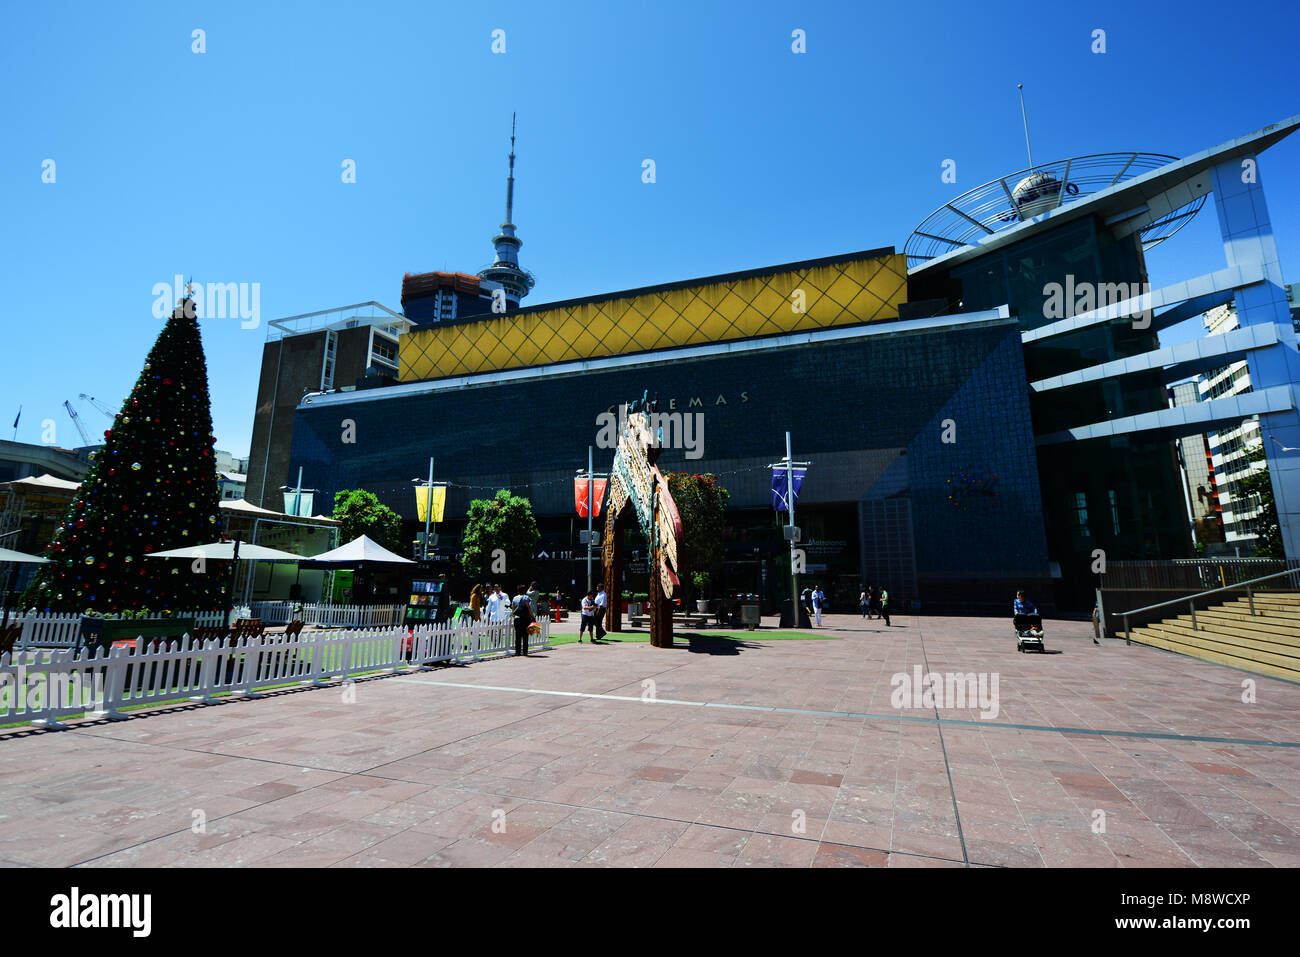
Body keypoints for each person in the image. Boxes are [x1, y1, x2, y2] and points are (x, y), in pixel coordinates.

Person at [511, 585, 534, 657]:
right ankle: (525, 652)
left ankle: (517, 652)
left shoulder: (515, 598)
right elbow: (529, 608)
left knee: (518, 636)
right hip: (525, 618)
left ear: (518, 591)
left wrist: (514, 616)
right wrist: (532, 616)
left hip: (517, 619)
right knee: (525, 635)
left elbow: (513, 608)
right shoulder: (526, 598)